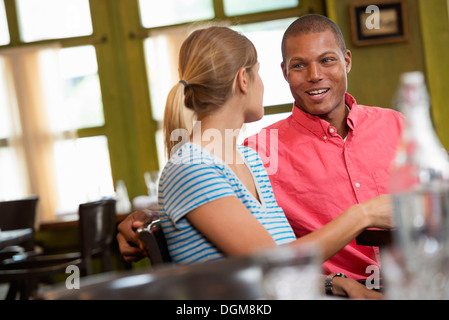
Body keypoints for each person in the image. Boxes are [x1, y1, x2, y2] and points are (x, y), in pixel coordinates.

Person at [117, 25, 393, 299]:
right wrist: (363, 214)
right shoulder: (194, 165)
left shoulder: (249, 159)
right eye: (259, 73)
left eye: (326, 60)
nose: (314, 75)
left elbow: (271, 264)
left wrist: (335, 283)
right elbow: (274, 262)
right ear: (244, 80)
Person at [244, 14, 404, 281]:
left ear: (347, 61)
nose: (314, 76)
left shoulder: (397, 125)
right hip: (337, 292)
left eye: (327, 60)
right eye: (299, 66)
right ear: (284, 72)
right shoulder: (259, 151)